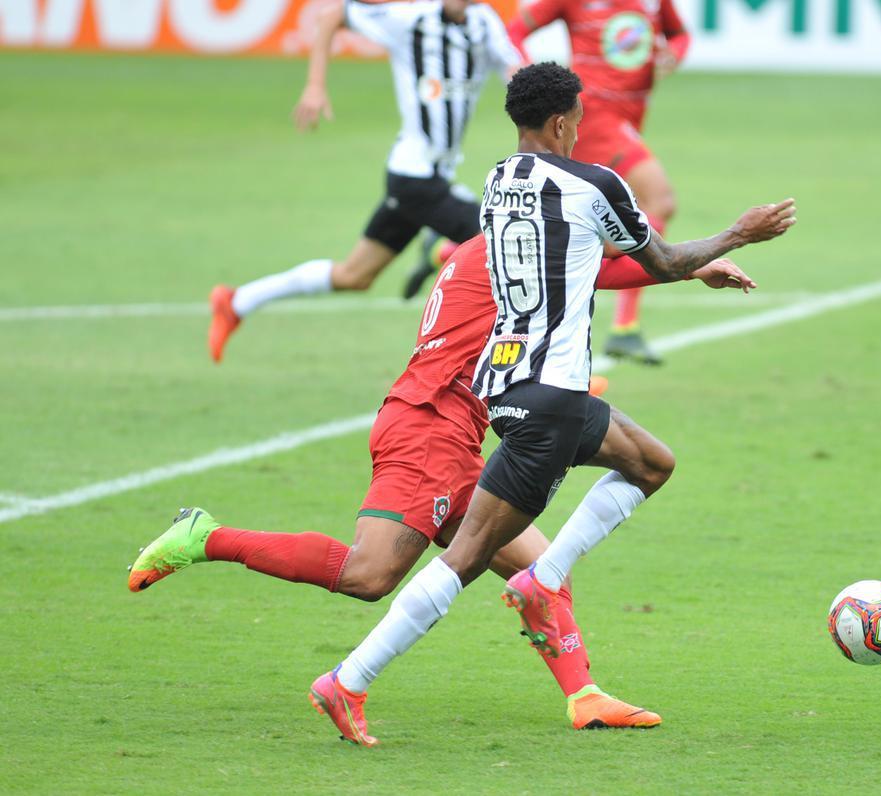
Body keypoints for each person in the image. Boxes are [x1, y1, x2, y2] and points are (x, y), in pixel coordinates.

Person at [303, 62, 794, 744]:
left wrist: (691, 261)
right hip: (553, 396)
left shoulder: (498, 181)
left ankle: (546, 578)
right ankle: (349, 680)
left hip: (508, 385)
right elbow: (663, 260)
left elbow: (578, 252)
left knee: (650, 463)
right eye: (579, 118)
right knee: (465, 558)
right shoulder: (597, 184)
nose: (582, 128)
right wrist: (738, 232)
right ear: (563, 121)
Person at [130, 229, 758, 741]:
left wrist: (683, 268)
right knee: (369, 576)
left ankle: (584, 696)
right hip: (428, 427)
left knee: (539, 568)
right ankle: (206, 537)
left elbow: (593, 270)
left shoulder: (488, 248)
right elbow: (602, 269)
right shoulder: (513, 254)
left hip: (451, 431)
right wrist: (689, 265)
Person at [207, 0, 521, 364]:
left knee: (354, 276)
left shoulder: (483, 22)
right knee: (506, 246)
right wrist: (315, 86)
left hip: (430, 180)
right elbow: (331, 15)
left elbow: (514, 71)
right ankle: (450, 258)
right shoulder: (410, 20)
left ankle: (238, 301)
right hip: (414, 178)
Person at [508, 0, 691, 365]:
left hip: (631, 116)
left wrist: (674, 52)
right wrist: (524, 72)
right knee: (658, 200)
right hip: (591, 116)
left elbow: (679, 34)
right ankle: (624, 323)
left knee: (568, 211)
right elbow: (515, 30)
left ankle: (451, 247)